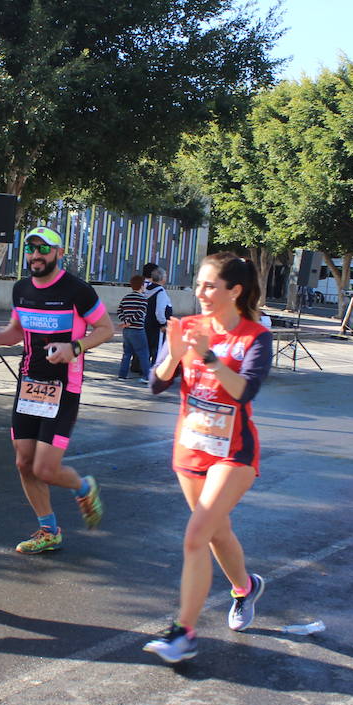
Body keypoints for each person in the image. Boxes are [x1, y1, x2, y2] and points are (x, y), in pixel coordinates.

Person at [143, 253, 271, 664]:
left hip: (234, 454)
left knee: (196, 535)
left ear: (235, 291)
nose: (201, 292)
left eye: (211, 285)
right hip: (190, 448)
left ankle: (183, 633)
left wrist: (211, 357)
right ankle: (246, 587)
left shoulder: (255, 336)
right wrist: (176, 354)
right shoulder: (188, 327)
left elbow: (243, 392)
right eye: (198, 283)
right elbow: (156, 385)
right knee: (216, 532)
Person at [0, 226, 115, 554]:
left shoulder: (78, 291)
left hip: (65, 388)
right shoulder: (21, 289)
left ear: (58, 253)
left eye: (44, 249)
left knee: (45, 469)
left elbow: (106, 329)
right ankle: (48, 531)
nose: (36, 255)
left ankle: (84, 487)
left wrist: (75, 348)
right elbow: (16, 331)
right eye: (31, 249)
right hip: (29, 386)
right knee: (24, 463)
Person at [116, 273, 149, 379]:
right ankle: (147, 376)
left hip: (126, 330)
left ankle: (122, 375)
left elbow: (119, 310)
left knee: (126, 353)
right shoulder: (143, 299)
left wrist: (125, 321)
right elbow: (140, 313)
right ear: (142, 285)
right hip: (138, 330)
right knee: (143, 353)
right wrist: (130, 321)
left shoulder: (126, 298)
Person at [144, 267, 173, 370]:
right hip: (157, 327)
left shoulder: (147, 290)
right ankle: (153, 371)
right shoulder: (160, 292)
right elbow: (159, 311)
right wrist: (163, 323)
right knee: (157, 349)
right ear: (162, 279)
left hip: (147, 323)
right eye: (165, 276)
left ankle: (144, 370)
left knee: (147, 348)